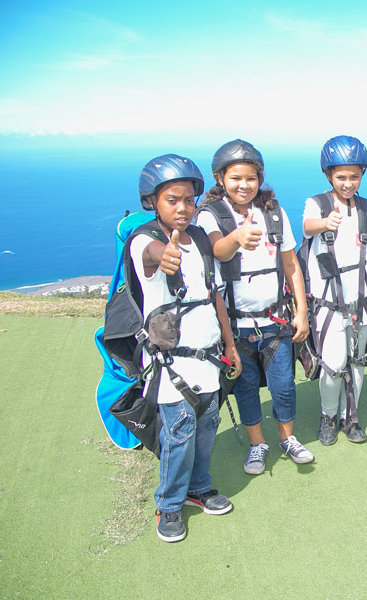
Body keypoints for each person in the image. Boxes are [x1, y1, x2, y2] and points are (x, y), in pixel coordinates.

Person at [133, 154, 239, 542]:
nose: (183, 208)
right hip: (172, 365)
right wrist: (166, 256)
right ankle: (169, 504)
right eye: (172, 200)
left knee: (207, 428)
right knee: (179, 434)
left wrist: (230, 345)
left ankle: (198, 487)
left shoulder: (198, 239)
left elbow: (215, 296)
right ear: (153, 202)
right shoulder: (146, 240)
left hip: (209, 356)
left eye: (189, 200)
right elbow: (151, 256)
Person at [196, 140, 313, 475]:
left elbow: (291, 265)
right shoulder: (211, 214)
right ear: (220, 179)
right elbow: (218, 249)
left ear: (259, 178)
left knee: (284, 385)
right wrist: (237, 238)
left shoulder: (273, 213)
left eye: (250, 178)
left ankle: (287, 438)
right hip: (236, 325)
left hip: (275, 319)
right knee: (246, 388)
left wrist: (301, 312)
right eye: (235, 178)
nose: (243, 185)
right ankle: (257, 444)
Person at [302, 136, 367, 445]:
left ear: (362, 175)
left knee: (357, 362)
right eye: (341, 176)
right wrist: (325, 222)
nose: (348, 182)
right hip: (329, 302)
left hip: (362, 298)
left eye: (354, 176)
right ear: (328, 175)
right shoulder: (318, 204)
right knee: (333, 364)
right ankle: (328, 416)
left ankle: (349, 417)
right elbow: (307, 226)